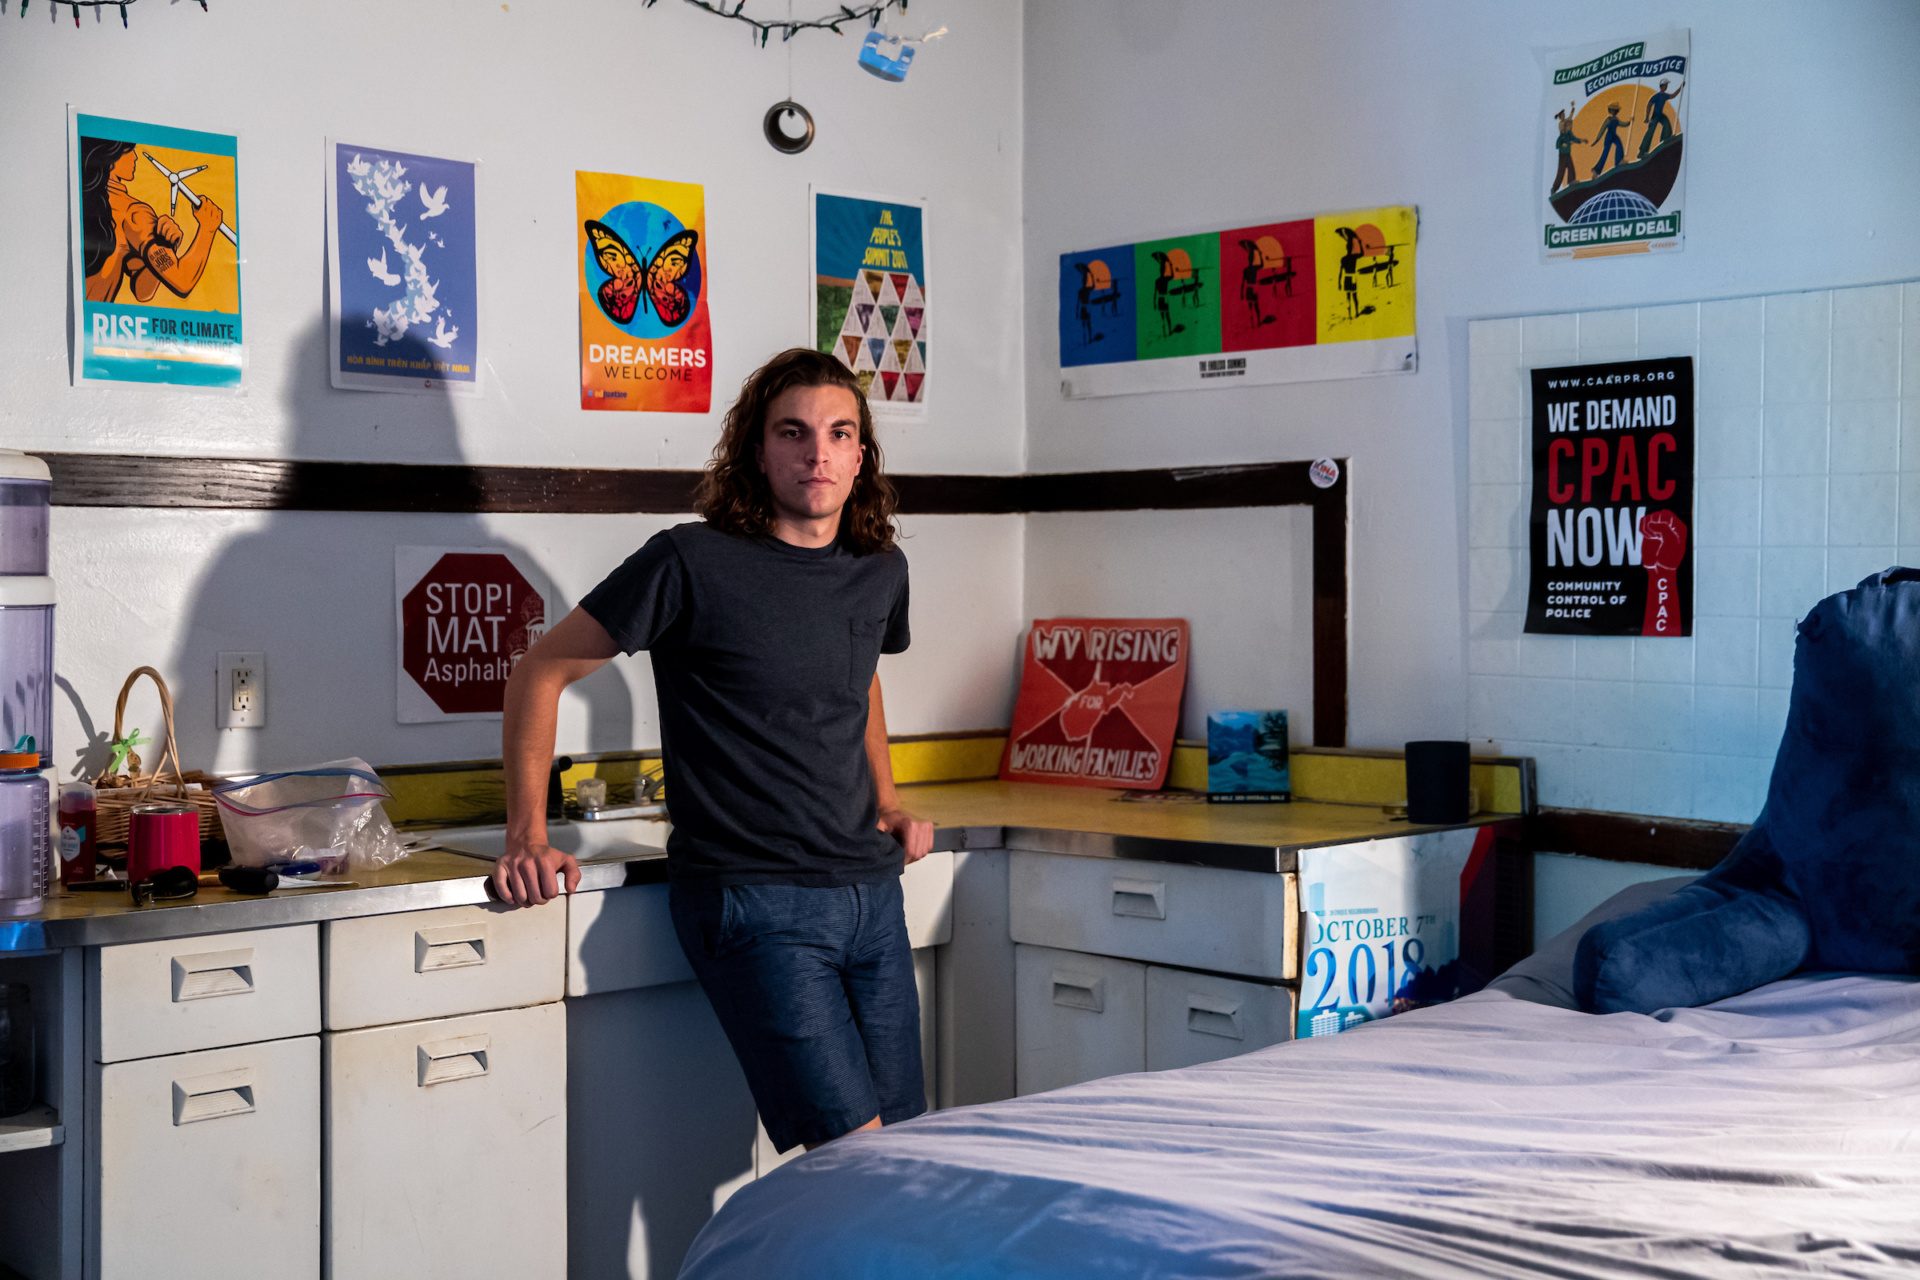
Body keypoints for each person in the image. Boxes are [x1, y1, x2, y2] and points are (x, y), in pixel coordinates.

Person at [494, 347, 934, 1154]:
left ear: (861, 455)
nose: (818, 452)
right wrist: (526, 834)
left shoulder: (879, 569)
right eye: (793, 432)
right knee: (858, 1158)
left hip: (871, 895)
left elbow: (859, 677)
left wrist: (889, 799)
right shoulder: (691, 561)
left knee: (905, 1150)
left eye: (839, 434)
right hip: (755, 898)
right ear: (757, 450)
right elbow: (541, 670)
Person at [79, 137, 225, 305]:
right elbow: (183, 281)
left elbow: (142, 291)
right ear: (110, 157)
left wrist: (163, 248)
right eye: (129, 151)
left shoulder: (82, 199)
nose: (135, 157)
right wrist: (207, 229)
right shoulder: (133, 213)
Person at [1638, 78, 1683, 158]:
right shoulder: (1657, 96)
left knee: (1666, 123)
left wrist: (1680, 87)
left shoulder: (1664, 95)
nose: (1666, 87)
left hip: (1660, 115)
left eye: (1667, 85)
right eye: (1666, 85)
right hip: (1655, 115)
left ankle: (1665, 139)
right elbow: (1649, 105)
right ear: (1662, 86)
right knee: (1650, 132)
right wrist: (1647, 117)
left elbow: (1673, 95)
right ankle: (1642, 152)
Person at [1550, 101, 1586, 193]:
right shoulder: (1562, 130)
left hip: (1567, 153)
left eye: (1563, 114)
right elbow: (1558, 143)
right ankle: (1554, 188)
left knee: (1571, 167)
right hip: (1562, 155)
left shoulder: (1569, 133)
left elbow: (1574, 138)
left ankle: (1571, 181)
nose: (1570, 127)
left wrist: (1582, 140)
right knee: (1561, 172)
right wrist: (1563, 144)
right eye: (1562, 115)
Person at [1590, 103, 1629, 179]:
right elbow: (1602, 130)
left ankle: (1619, 161)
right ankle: (1596, 171)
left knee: (1619, 145)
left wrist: (1629, 122)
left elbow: (1622, 124)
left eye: (1615, 110)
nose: (1614, 111)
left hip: (1614, 136)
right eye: (1613, 110)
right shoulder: (1608, 119)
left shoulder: (1616, 119)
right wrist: (1597, 140)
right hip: (1609, 137)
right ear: (1611, 111)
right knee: (1605, 153)